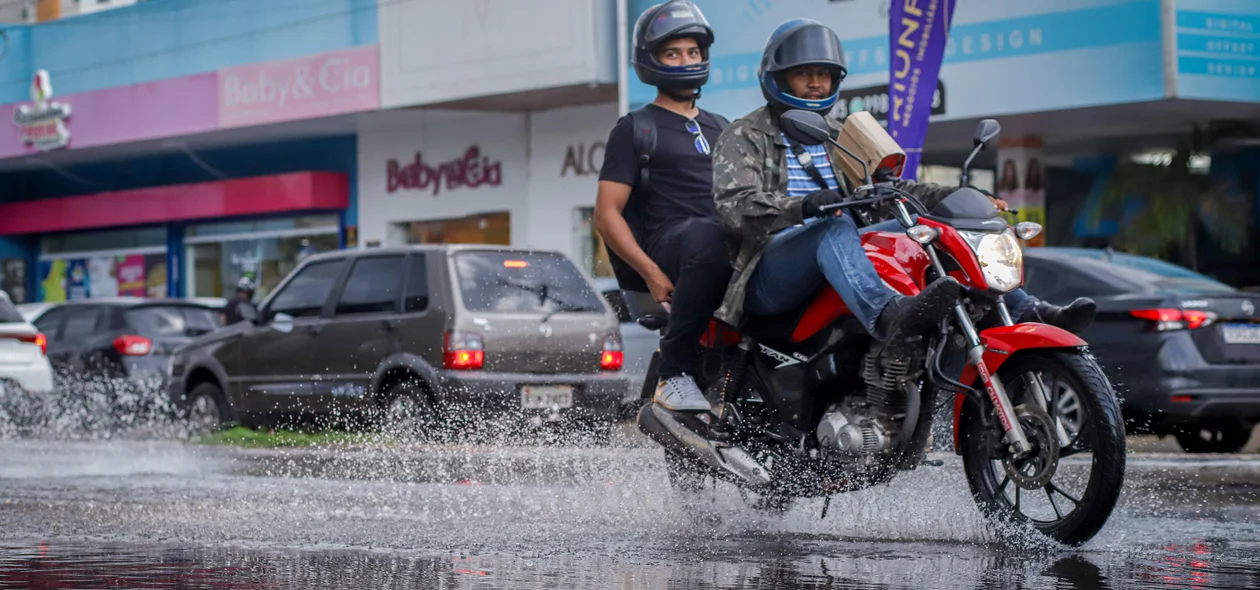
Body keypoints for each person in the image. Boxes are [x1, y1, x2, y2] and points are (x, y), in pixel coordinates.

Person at [711, 19, 1094, 361]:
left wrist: (949, 198)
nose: (816, 83)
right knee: (832, 225)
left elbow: (890, 188)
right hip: (768, 271)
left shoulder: (840, 134)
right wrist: (805, 206)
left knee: (936, 232)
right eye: (804, 74)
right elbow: (735, 208)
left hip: (841, 255)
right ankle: (886, 314)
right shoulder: (745, 134)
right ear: (778, 78)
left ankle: (1028, 311)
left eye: (824, 74)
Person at [594, 0, 733, 413]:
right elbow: (606, 215)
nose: (685, 61)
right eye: (672, 53)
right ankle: (673, 374)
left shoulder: (722, 126)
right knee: (711, 235)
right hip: (672, 242)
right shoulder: (636, 128)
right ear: (650, 60)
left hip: (721, 243)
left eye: (692, 52)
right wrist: (651, 274)